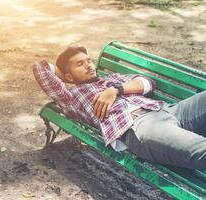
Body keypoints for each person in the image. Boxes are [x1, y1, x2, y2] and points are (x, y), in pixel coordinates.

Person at [33, 46, 206, 170]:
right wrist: (66, 77)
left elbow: (148, 83)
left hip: (168, 111)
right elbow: (40, 69)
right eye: (80, 64)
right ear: (68, 75)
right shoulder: (71, 97)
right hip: (139, 128)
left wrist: (116, 89)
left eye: (89, 61)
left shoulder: (113, 79)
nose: (89, 65)